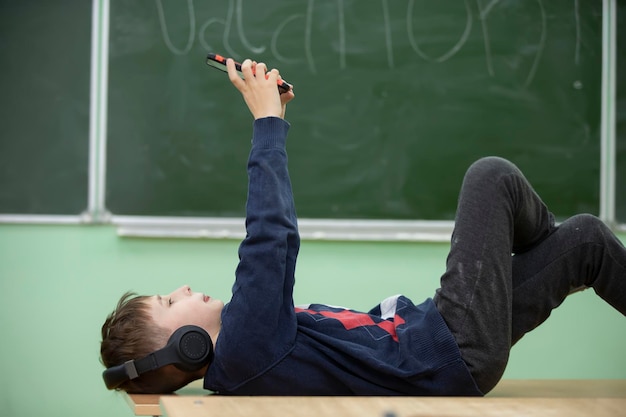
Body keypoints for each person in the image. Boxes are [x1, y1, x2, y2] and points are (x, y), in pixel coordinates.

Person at [100, 58, 626, 396]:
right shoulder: (242, 349)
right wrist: (267, 125)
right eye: (169, 304)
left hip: (439, 340)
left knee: (585, 241)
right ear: (190, 346)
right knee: (490, 178)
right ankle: (539, 250)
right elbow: (270, 238)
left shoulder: (246, 349)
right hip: (449, 350)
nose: (182, 289)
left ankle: (551, 253)